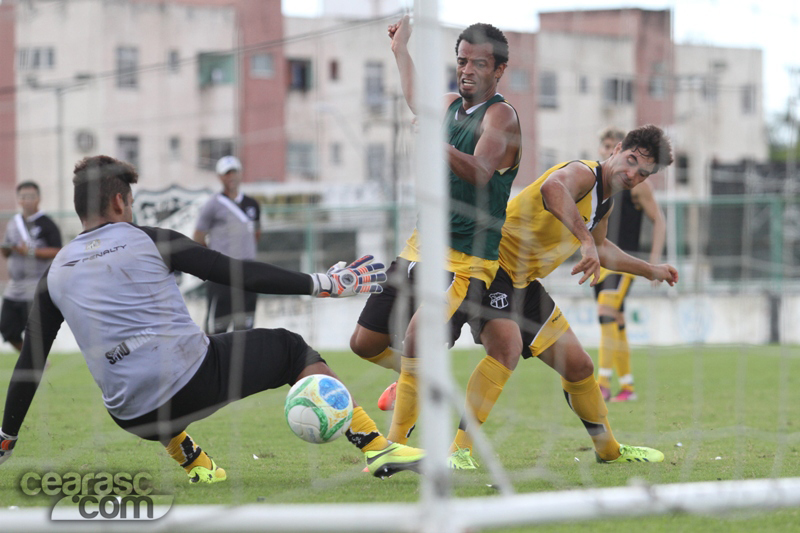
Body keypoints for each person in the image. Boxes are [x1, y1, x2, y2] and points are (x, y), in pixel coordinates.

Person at [0, 156, 424, 482]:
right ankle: (374, 445)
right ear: (119, 201)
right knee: (291, 348)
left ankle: (196, 463)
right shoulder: (149, 238)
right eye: (129, 202)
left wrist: (8, 436)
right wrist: (323, 283)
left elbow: (30, 362)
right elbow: (237, 272)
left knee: (149, 368)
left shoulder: (54, 272)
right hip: (192, 384)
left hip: (130, 417)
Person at [446, 124, 677, 469]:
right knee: (505, 349)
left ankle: (609, 450)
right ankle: (456, 451)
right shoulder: (584, 173)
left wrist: (650, 270)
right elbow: (554, 189)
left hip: (523, 282)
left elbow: (601, 248)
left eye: (642, 173)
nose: (632, 174)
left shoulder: (605, 202)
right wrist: (585, 242)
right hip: (491, 265)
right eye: (630, 161)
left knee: (580, 365)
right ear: (615, 151)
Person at [349, 17, 522, 445]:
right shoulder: (447, 106)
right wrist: (400, 51)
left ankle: (395, 446)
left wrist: (435, 143)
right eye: (462, 61)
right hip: (419, 248)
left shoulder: (502, 116)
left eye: (478, 64)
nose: (467, 70)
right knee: (363, 343)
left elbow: (481, 171)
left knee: (417, 337)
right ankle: (418, 377)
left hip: (466, 261)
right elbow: (415, 100)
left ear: (499, 70)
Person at [593, 128, 666, 403]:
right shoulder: (597, 183)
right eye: (606, 145)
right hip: (600, 262)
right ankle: (628, 387)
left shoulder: (638, 185)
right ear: (603, 150)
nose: (610, 149)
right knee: (614, 321)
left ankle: (602, 384)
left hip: (624, 263)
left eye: (615, 145)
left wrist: (653, 262)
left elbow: (659, 220)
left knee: (606, 310)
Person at [194, 155, 261, 334]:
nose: (231, 176)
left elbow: (256, 233)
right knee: (217, 329)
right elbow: (198, 236)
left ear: (240, 174)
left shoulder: (252, 204)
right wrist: (214, 259)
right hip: (222, 274)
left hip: (248, 272)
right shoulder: (213, 205)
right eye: (227, 173)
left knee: (246, 328)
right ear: (220, 177)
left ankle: (245, 363)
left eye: (234, 172)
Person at [1, 182, 61, 351]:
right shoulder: (14, 222)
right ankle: (32, 360)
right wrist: (7, 249)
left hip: (35, 285)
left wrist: (31, 252)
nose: (26, 201)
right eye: (23, 197)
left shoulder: (46, 223)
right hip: (14, 286)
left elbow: (58, 250)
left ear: (39, 198)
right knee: (7, 328)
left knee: (34, 333)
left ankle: (36, 362)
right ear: (18, 200)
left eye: (31, 197)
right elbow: (8, 251)